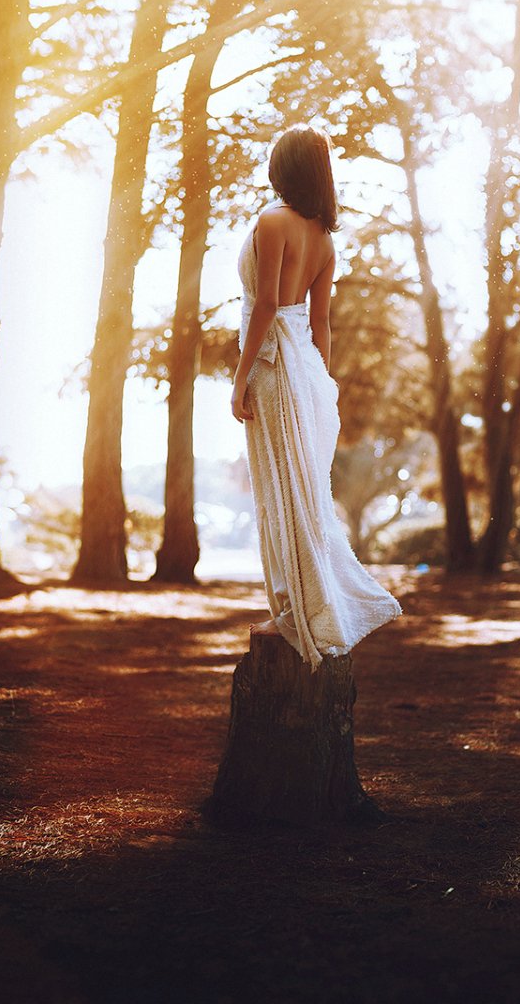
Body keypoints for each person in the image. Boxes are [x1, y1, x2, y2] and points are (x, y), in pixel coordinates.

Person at [230, 125, 403, 669]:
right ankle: (302, 607)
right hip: (303, 365)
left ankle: (295, 613)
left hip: (274, 364)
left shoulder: (272, 221)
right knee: (299, 488)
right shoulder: (325, 239)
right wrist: (321, 384)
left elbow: (266, 308)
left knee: (280, 488)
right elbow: (320, 320)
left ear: (284, 169)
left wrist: (239, 378)